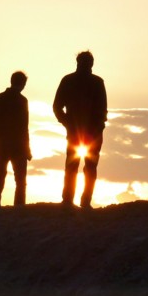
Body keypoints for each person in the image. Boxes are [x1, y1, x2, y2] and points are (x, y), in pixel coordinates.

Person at [53, 51, 108, 208]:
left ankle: (77, 200)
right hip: (83, 132)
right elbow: (57, 107)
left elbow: (102, 110)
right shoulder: (73, 81)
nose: (85, 66)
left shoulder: (93, 82)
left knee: (80, 166)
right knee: (79, 166)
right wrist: (67, 123)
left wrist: (67, 123)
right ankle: (73, 200)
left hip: (89, 132)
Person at [0, 71, 32, 206]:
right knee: (20, 181)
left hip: (1, 145)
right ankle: (19, 207)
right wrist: (27, 149)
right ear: (23, 84)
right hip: (18, 147)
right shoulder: (22, 101)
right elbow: (24, 127)